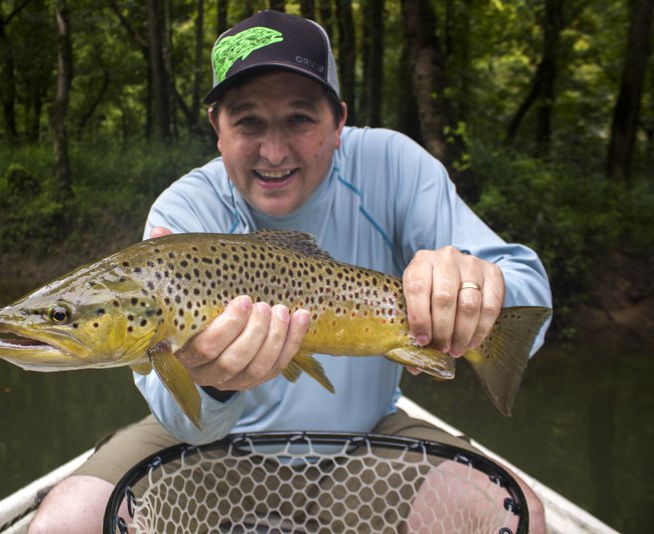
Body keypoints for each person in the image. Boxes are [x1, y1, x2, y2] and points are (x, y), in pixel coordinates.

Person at [29, 10, 552, 533]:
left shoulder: (396, 166)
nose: (273, 152)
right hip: (205, 452)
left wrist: (475, 293)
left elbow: (527, 291)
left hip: (367, 443)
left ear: (339, 120)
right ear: (217, 128)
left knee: (499, 508)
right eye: (248, 121)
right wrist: (212, 385)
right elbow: (178, 417)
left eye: (299, 119)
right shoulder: (183, 215)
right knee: (65, 522)